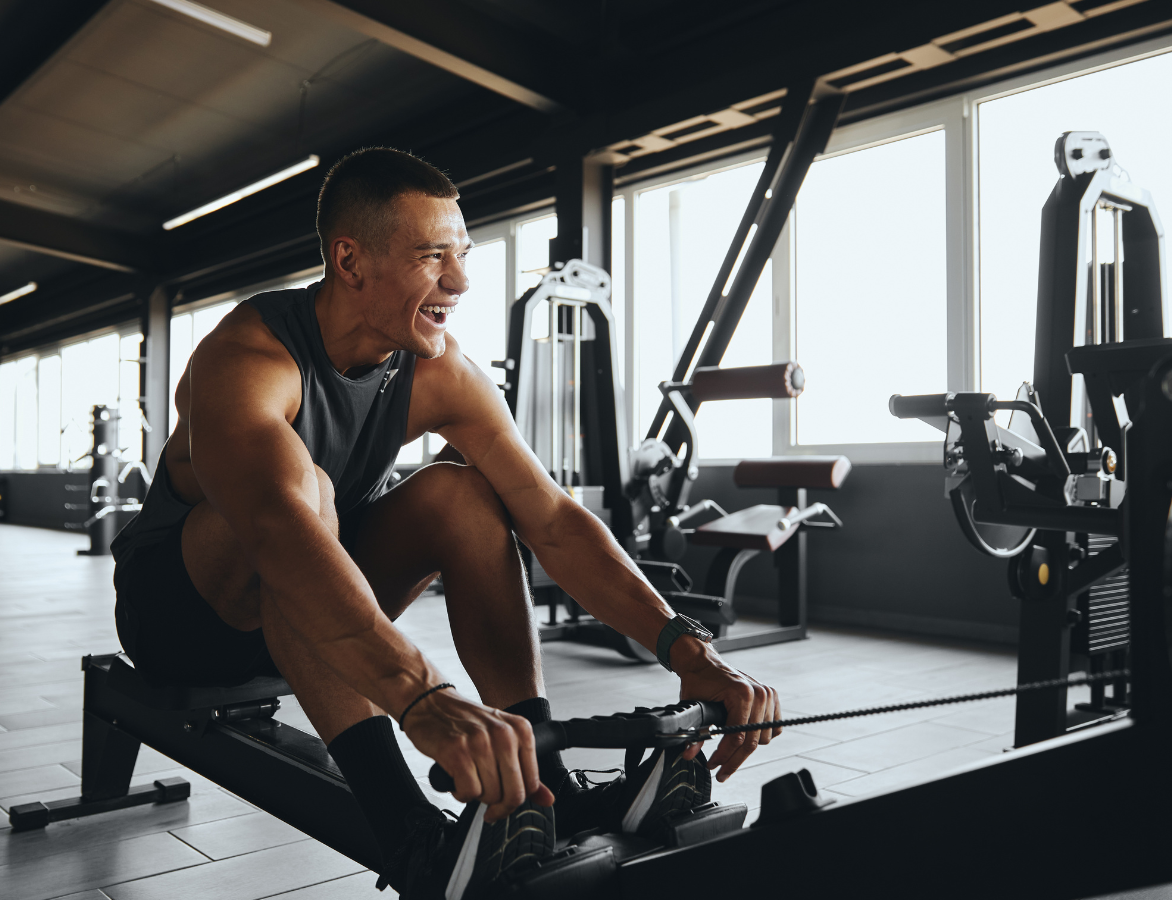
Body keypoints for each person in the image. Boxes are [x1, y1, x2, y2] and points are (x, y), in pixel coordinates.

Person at [111, 147, 782, 897]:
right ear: (350, 260)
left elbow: (553, 520)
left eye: (461, 255)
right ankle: (408, 834)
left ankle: (546, 787)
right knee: (308, 495)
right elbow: (278, 534)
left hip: (306, 611)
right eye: (434, 258)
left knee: (460, 494)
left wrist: (684, 646)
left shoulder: (436, 370)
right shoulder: (249, 356)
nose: (460, 282)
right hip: (182, 620)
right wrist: (422, 695)